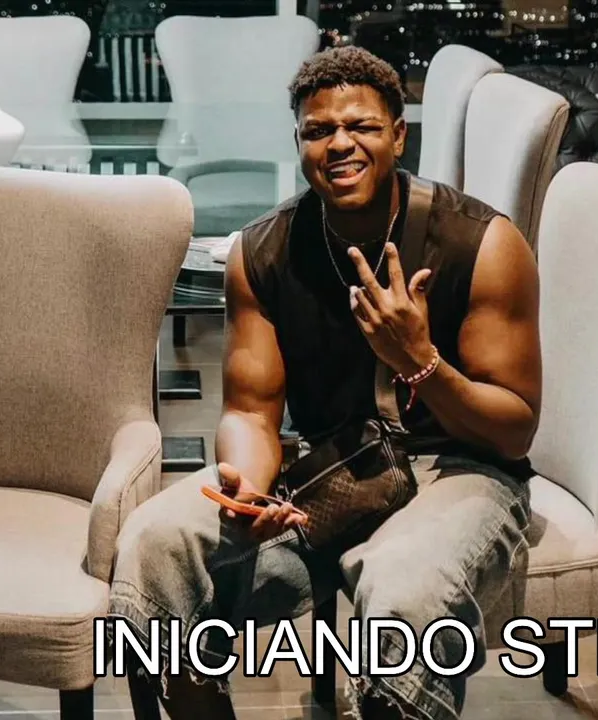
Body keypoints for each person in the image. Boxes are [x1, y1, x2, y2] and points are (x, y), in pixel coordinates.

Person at [108, 46, 542, 720]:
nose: (340, 144)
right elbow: (251, 413)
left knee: (404, 597)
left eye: (362, 126)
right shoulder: (262, 252)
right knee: (155, 543)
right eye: (319, 130)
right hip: (333, 469)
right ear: (299, 143)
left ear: (399, 135)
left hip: (462, 470)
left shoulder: (482, 243)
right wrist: (248, 491)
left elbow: (513, 432)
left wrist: (419, 362)